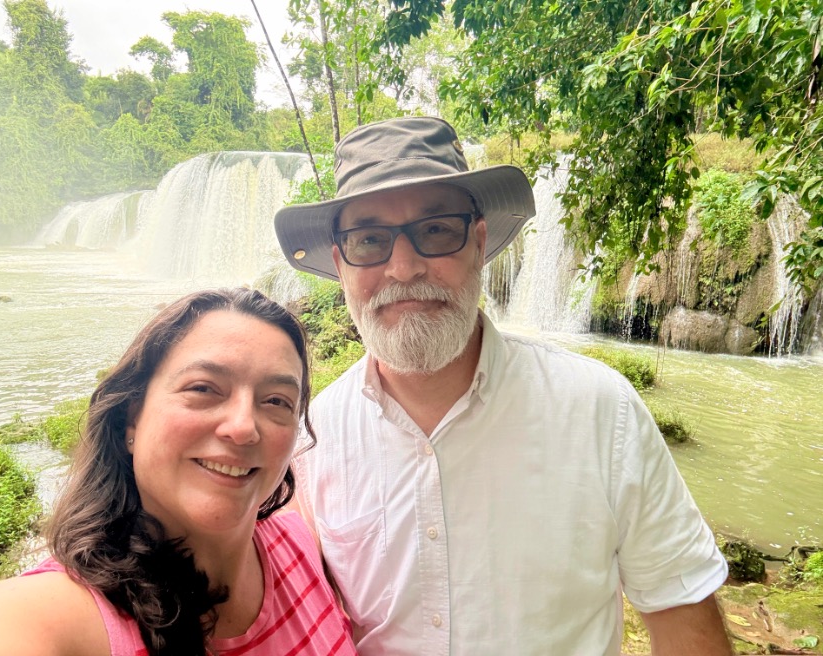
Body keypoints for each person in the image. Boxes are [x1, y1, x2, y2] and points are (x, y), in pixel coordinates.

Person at [273, 116, 733, 655]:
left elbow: (683, 621)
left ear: (480, 242)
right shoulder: (311, 438)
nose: (403, 268)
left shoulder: (600, 411)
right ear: (340, 263)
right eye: (369, 239)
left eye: (437, 229)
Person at [0, 288, 357, 656]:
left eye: (276, 401)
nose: (243, 427)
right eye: (203, 388)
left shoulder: (301, 545)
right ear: (132, 419)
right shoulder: (59, 618)